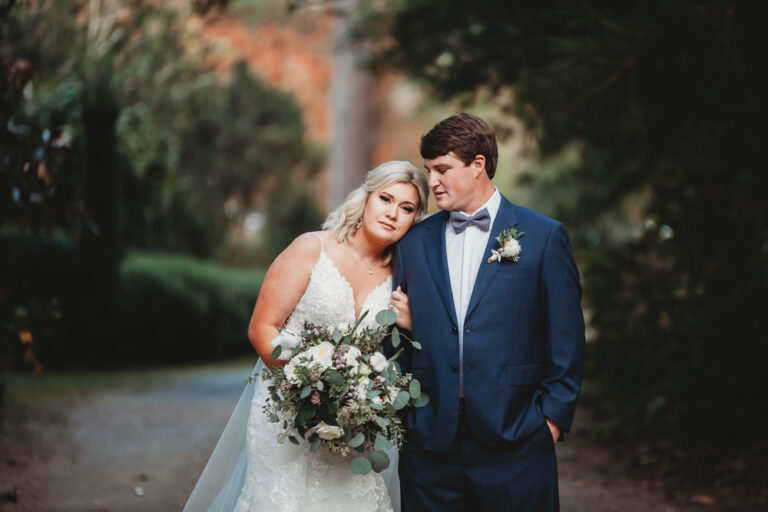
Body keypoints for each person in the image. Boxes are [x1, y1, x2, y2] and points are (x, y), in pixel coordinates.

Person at [183, 161, 429, 512]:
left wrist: (350, 406)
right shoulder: (313, 248)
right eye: (385, 199)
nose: (392, 213)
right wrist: (308, 397)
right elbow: (262, 328)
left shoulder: (401, 278)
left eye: (406, 208)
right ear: (366, 198)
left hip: (351, 425)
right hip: (287, 412)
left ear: (415, 219)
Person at [390, 113, 585, 511]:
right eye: (429, 170)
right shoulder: (412, 243)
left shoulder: (544, 237)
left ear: (478, 165)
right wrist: (408, 419)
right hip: (430, 446)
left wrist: (549, 422)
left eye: (442, 169)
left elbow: (566, 339)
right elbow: (396, 340)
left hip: (517, 439)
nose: (432, 182)